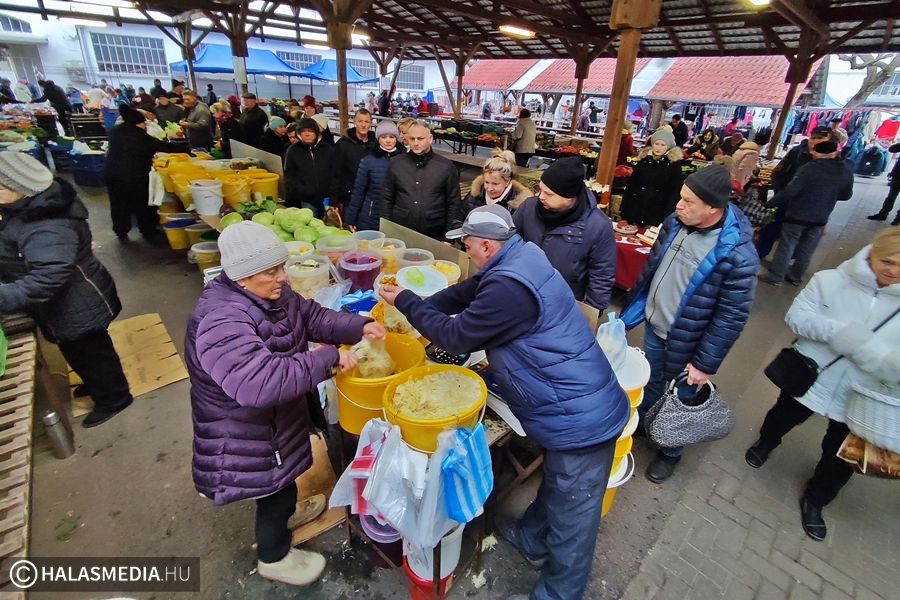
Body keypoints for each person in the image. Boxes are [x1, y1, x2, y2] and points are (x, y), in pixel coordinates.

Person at [378, 205, 629, 600]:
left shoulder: (509, 289)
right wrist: (413, 300)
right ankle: (530, 538)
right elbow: (466, 292)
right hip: (567, 398)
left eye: (468, 245)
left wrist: (408, 304)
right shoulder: (520, 254)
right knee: (561, 483)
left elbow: (457, 337)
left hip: (580, 413)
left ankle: (559, 594)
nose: (466, 251)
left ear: (487, 245)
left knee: (574, 518)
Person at [186, 220, 385, 587]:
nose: (285, 277)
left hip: (275, 424)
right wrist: (327, 360)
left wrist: (356, 326)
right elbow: (258, 383)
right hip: (249, 434)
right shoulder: (222, 319)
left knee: (284, 486)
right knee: (274, 493)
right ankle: (273, 557)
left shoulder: (270, 294)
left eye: (282, 266)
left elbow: (310, 316)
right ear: (241, 277)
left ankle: (283, 519)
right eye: (272, 271)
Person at [745, 228, 900, 541]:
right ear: (871, 253)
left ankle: (817, 499)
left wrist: (880, 359)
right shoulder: (831, 281)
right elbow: (798, 317)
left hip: (862, 396)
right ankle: (766, 441)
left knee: (841, 454)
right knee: (783, 415)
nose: (894, 271)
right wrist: (840, 333)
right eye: (888, 261)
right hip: (813, 375)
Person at [621, 164, 759, 482]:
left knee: (681, 398)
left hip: (691, 343)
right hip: (657, 326)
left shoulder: (738, 256)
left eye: (688, 201)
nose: (678, 206)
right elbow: (652, 269)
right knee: (653, 382)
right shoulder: (675, 223)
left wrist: (704, 364)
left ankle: (671, 451)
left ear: (713, 208)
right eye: (681, 198)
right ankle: (649, 425)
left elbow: (731, 316)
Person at [512, 156, 616, 312]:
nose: (541, 197)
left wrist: (591, 313)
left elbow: (602, 274)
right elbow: (509, 241)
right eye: (540, 189)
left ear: (569, 197)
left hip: (564, 306)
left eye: (549, 194)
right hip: (522, 293)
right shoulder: (529, 208)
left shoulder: (598, 226)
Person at [759, 140, 854, 286]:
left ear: (815, 152)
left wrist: (771, 203)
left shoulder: (809, 168)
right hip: (821, 217)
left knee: (787, 245)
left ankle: (775, 277)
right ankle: (796, 277)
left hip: (797, 214)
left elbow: (791, 190)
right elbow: (846, 195)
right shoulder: (845, 171)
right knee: (807, 248)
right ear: (835, 153)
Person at [105, 104, 189, 239]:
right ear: (137, 123)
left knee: (118, 204)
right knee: (141, 203)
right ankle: (147, 230)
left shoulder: (116, 131)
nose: (145, 125)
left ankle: (121, 229)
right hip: (134, 176)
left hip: (112, 173)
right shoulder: (139, 135)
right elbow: (161, 146)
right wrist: (187, 150)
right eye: (143, 123)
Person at [758, 126, 834, 258]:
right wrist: (779, 191)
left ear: (829, 138)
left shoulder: (833, 159)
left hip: (811, 206)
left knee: (800, 238)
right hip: (786, 199)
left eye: (820, 138)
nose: (815, 141)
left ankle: (787, 265)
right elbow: (778, 171)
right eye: (813, 137)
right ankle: (759, 255)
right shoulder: (797, 152)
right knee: (772, 228)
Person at [379, 121, 461, 240]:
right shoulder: (396, 164)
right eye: (412, 139)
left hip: (434, 234)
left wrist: (448, 237)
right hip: (401, 231)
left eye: (420, 138)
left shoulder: (446, 167)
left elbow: (454, 202)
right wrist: (386, 230)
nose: (416, 143)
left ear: (430, 138)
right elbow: (386, 198)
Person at [345, 120, 405, 232]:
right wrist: (351, 219)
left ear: (396, 138)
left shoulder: (404, 159)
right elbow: (358, 191)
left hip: (397, 216)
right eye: (384, 137)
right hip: (371, 215)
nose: (388, 140)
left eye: (391, 137)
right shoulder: (368, 161)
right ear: (378, 139)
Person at [620, 128, 684, 227]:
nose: (659, 148)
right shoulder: (644, 160)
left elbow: (675, 192)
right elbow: (631, 185)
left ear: (669, 147)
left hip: (657, 213)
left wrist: (668, 215)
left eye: (663, 145)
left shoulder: (674, 165)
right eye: (656, 144)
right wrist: (624, 208)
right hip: (635, 210)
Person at [460, 149, 531, 219]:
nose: (489, 188)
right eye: (486, 182)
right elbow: (457, 219)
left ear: (508, 181)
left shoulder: (519, 207)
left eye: (495, 184)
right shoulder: (474, 195)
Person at [284, 117, 332, 217]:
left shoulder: (327, 149)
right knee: (310, 225)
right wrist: (303, 191)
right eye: (304, 131)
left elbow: (336, 172)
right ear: (299, 133)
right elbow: (290, 175)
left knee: (331, 225)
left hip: (327, 199)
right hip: (307, 199)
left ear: (316, 133)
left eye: (310, 131)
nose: (307, 134)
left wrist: (332, 192)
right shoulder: (292, 151)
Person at [329, 109, 376, 210]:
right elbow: (335, 173)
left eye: (366, 122)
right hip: (349, 198)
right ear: (354, 121)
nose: (363, 125)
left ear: (371, 123)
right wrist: (334, 200)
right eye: (360, 121)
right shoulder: (343, 144)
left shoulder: (376, 144)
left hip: (371, 198)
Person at [868, 141, 900, 225]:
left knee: (891, 196)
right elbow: (892, 149)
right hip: (898, 175)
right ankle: (884, 214)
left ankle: (897, 218)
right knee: (891, 196)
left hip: (897, 174)